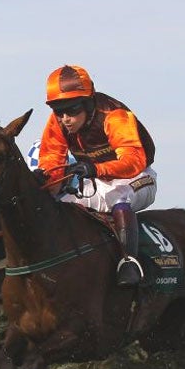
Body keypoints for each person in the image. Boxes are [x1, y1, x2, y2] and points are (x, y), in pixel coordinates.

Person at [32, 65, 157, 286]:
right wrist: (45, 181)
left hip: (137, 178)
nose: (65, 119)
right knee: (61, 204)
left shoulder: (115, 116)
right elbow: (52, 161)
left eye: (71, 110)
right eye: (58, 111)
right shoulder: (58, 122)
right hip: (98, 180)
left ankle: (129, 262)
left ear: (88, 103)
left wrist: (95, 168)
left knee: (120, 197)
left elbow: (134, 161)